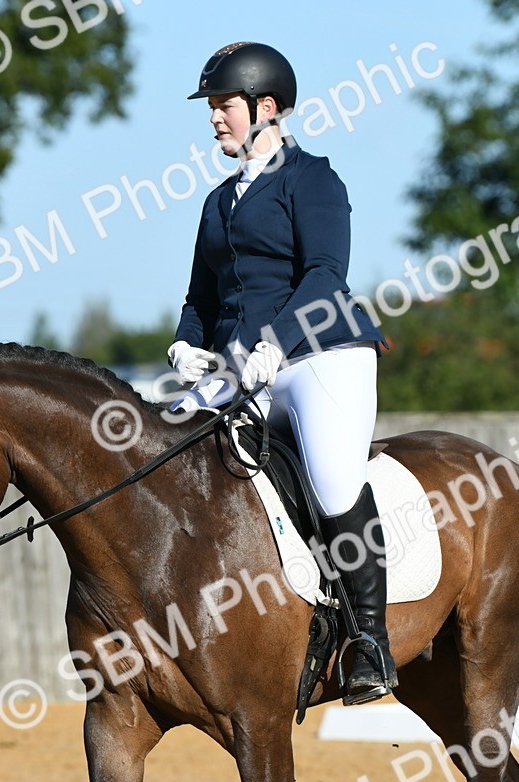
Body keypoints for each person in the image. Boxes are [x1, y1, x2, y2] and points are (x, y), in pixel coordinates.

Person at [168, 42, 396, 704]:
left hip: (321, 355)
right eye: (212, 108)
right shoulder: (217, 202)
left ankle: (371, 641)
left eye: (223, 106)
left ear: (266, 108)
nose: (214, 119)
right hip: (243, 368)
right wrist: (186, 346)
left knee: (330, 482)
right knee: (169, 458)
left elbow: (326, 275)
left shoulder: (313, 180)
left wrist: (274, 344)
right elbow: (199, 302)